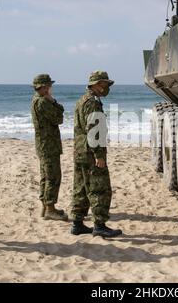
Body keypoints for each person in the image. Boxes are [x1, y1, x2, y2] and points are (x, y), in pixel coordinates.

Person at [70, 71, 122, 237]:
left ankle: (77, 223)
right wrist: (99, 155)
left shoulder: (81, 100)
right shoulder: (92, 103)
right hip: (91, 153)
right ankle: (99, 225)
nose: (106, 88)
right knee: (100, 189)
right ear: (96, 84)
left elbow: (79, 128)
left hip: (80, 151)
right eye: (104, 84)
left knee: (81, 188)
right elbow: (94, 131)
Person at [31, 74, 67, 221]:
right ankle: (50, 209)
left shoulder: (36, 100)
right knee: (52, 176)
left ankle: (45, 207)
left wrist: (52, 100)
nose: (50, 88)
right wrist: (53, 101)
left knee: (46, 176)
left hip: (44, 144)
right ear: (44, 88)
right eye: (49, 86)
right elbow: (59, 118)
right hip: (48, 145)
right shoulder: (42, 102)